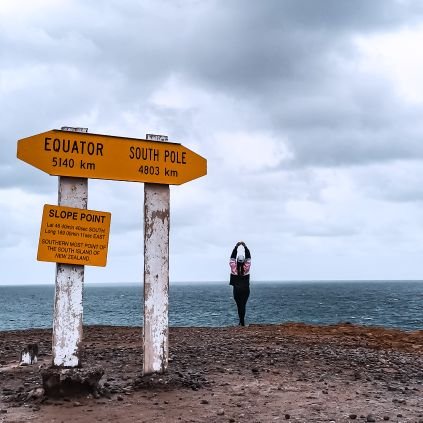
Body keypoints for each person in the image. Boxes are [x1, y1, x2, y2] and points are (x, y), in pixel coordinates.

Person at [229, 241, 251, 326]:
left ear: (237, 261)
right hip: (245, 289)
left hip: (237, 289)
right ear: (243, 261)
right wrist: (245, 246)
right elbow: (249, 257)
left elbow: (232, 258)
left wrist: (236, 247)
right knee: (243, 305)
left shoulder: (234, 268)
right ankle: (242, 322)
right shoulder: (246, 267)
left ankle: (241, 322)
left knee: (239, 306)